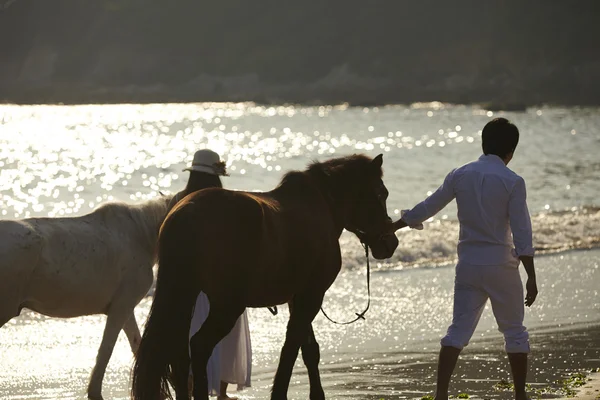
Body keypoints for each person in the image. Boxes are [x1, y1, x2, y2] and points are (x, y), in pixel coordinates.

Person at [393, 118, 537, 400]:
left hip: (468, 265)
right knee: (514, 332)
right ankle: (520, 395)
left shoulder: (460, 174)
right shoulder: (513, 181)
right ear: (511, 151)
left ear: (483, 144)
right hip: (501, 266)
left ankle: (441, 395)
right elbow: (522, 232)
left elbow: (428, 207)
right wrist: (531, 275)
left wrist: (395, 225)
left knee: (457, 332)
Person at [167, 149, 252, 400]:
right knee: (224, 334)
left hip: (186, 283)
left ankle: (191, 386)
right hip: (221, 280)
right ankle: (221, 393)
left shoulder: (178, 201)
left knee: (190, 335)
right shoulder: (224, 202)